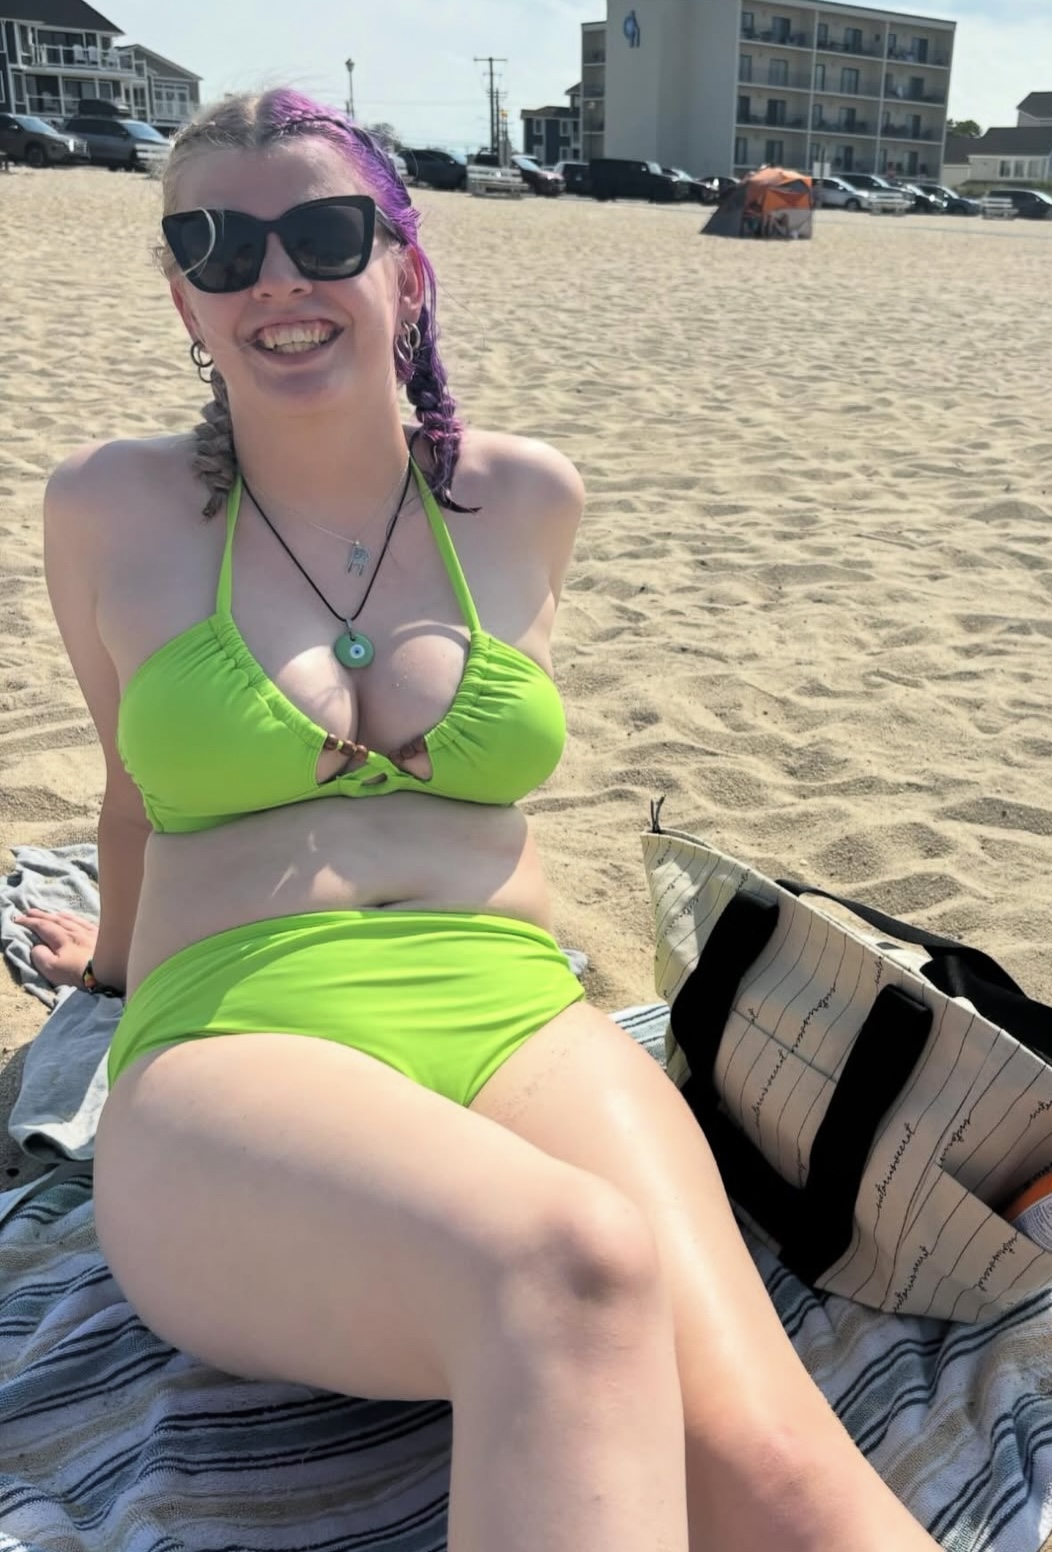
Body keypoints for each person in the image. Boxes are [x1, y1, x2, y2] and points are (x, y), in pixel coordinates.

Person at [17, 90, 939, 1552]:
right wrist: (114, 970)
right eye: (218, 247)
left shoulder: (522, 499)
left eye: (325, 234)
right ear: (185, 302)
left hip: (520, 1015)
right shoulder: (107, 508)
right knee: (563, 1265)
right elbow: (130, 794)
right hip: (237, 1037)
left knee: (780, 1466)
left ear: (406, 267)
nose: (275, 278)